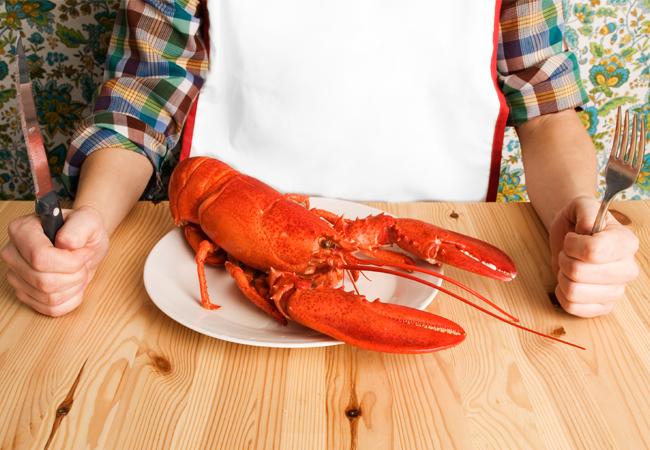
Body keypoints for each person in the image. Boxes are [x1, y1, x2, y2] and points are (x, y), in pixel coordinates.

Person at [1, 0, 640, 318]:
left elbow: (548, 108)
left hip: (436, 252)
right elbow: (138, 106)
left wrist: (580, 217)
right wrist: (87, 223)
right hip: (217, 270)